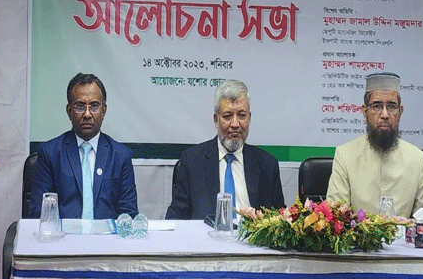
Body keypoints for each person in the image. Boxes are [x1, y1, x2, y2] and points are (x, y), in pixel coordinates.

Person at [165, 79, 284, 220]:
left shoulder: (267, 165)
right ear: (216, 120)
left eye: (242, 116)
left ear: (249, 118)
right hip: (206, 234)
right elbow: (176, 216)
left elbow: (280, 218)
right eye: (227, 116)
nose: (235, 124)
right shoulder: (192, 161)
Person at [29, 72, 138, 219]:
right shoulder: (50, 153)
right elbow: (39, 212)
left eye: (94, 106)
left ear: (104, 110)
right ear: (69, 111)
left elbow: (128, 214)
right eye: (80, 106)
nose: (87, 114)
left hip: (107, 234)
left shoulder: (120, 156)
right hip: (63, 233)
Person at [326, 72, 423, 217]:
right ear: (365, 112)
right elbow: (336, 216)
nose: (385, 114)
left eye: (392, 106)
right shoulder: (345, 155)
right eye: (377, 106)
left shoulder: (416, 158)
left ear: (400, 112)